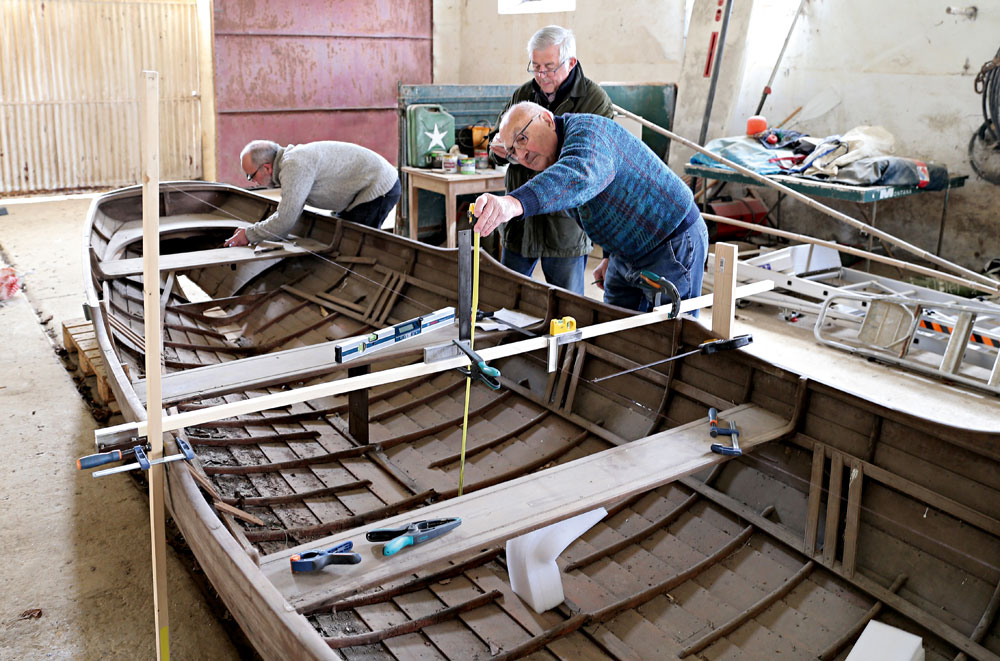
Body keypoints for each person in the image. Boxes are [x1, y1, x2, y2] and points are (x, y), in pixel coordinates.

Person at [475, 101, 708, 313]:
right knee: (616, 331)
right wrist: (608, 254)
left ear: (546, 119)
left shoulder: (587, 132)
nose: (522, 154)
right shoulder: (556, 157)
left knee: (673, 336)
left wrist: (513, 203)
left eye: (522, 139)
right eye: (513, 152)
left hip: (670, 240)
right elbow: (596, 198)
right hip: (626, 252)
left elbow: (581, 174)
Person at [489, 25, 613, 295]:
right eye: (535, 67)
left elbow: (587, 165)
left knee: (567, 308)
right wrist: (497, 150)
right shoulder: (522, 95)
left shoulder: (594, 100)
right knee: (506, 297)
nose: (541, 75)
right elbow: (496, 139)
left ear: (571, 62)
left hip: (565, 224)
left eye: (549, 67)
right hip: (519, 222)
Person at [224, 140, 400, 247]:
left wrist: (249, 235)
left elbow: (285, 220)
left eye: (251, 176)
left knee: (355, 243)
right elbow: (287, 216)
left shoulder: (294, 165)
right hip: (363, 187)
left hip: (379, 186)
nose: (252, 181)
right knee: (341, 235)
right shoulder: (292, 161)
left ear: (267, 167)